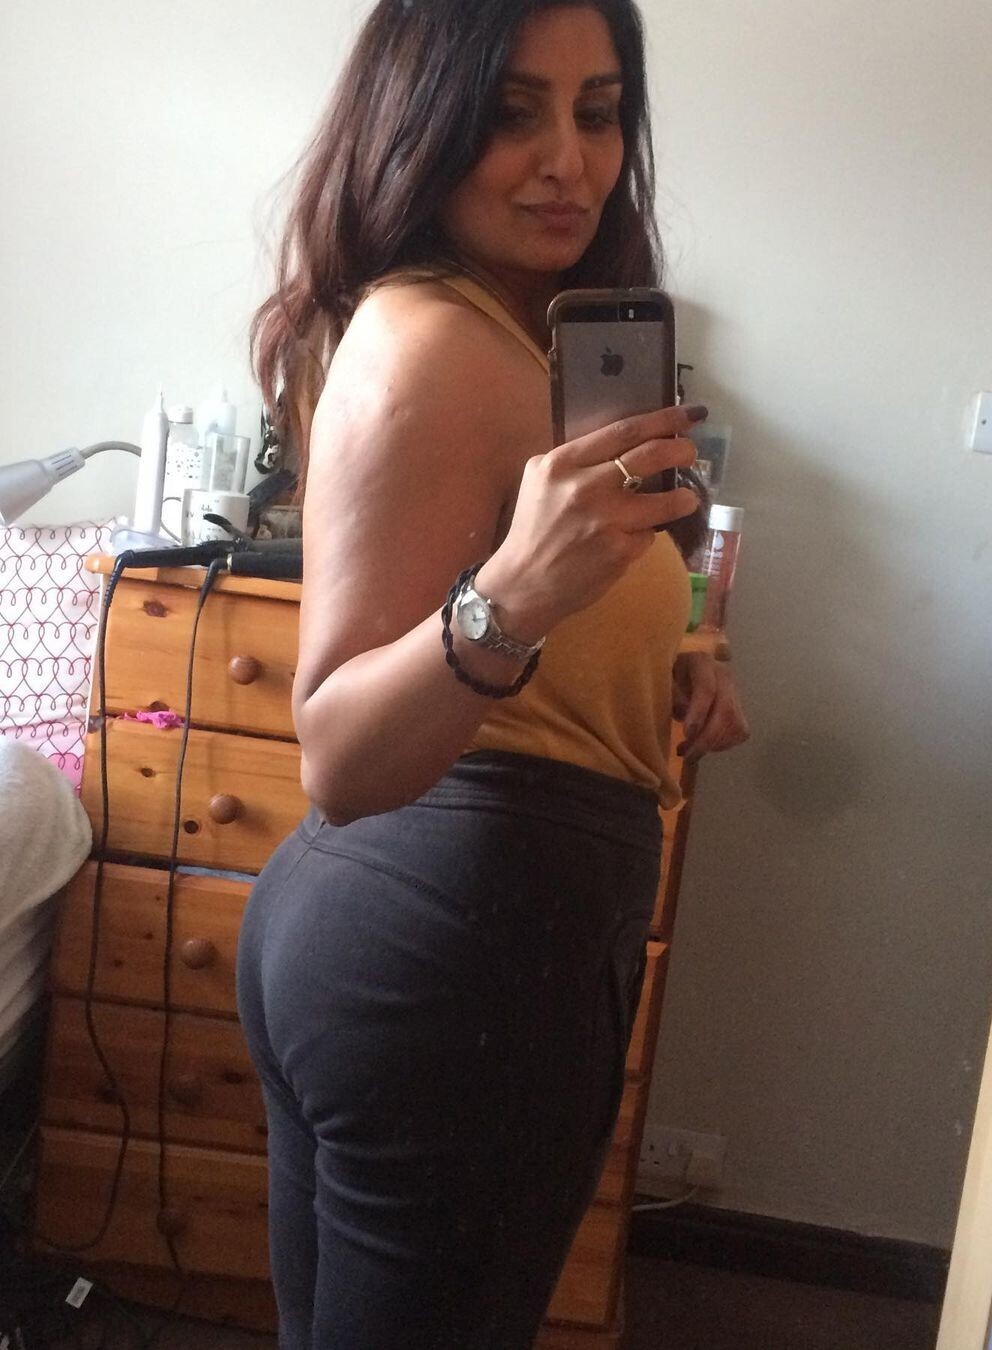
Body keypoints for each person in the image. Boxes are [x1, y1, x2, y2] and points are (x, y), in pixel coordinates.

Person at [236, 0, 749, 1345]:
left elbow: (523, 630)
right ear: (424, 122)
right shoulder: (436, 344)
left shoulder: (500, 335)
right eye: (513, 112)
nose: (569, 160)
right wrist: (512, 598)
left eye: (599, 111)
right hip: (463, 951)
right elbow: (340, 753)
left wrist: (666, 656)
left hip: (436, 940)